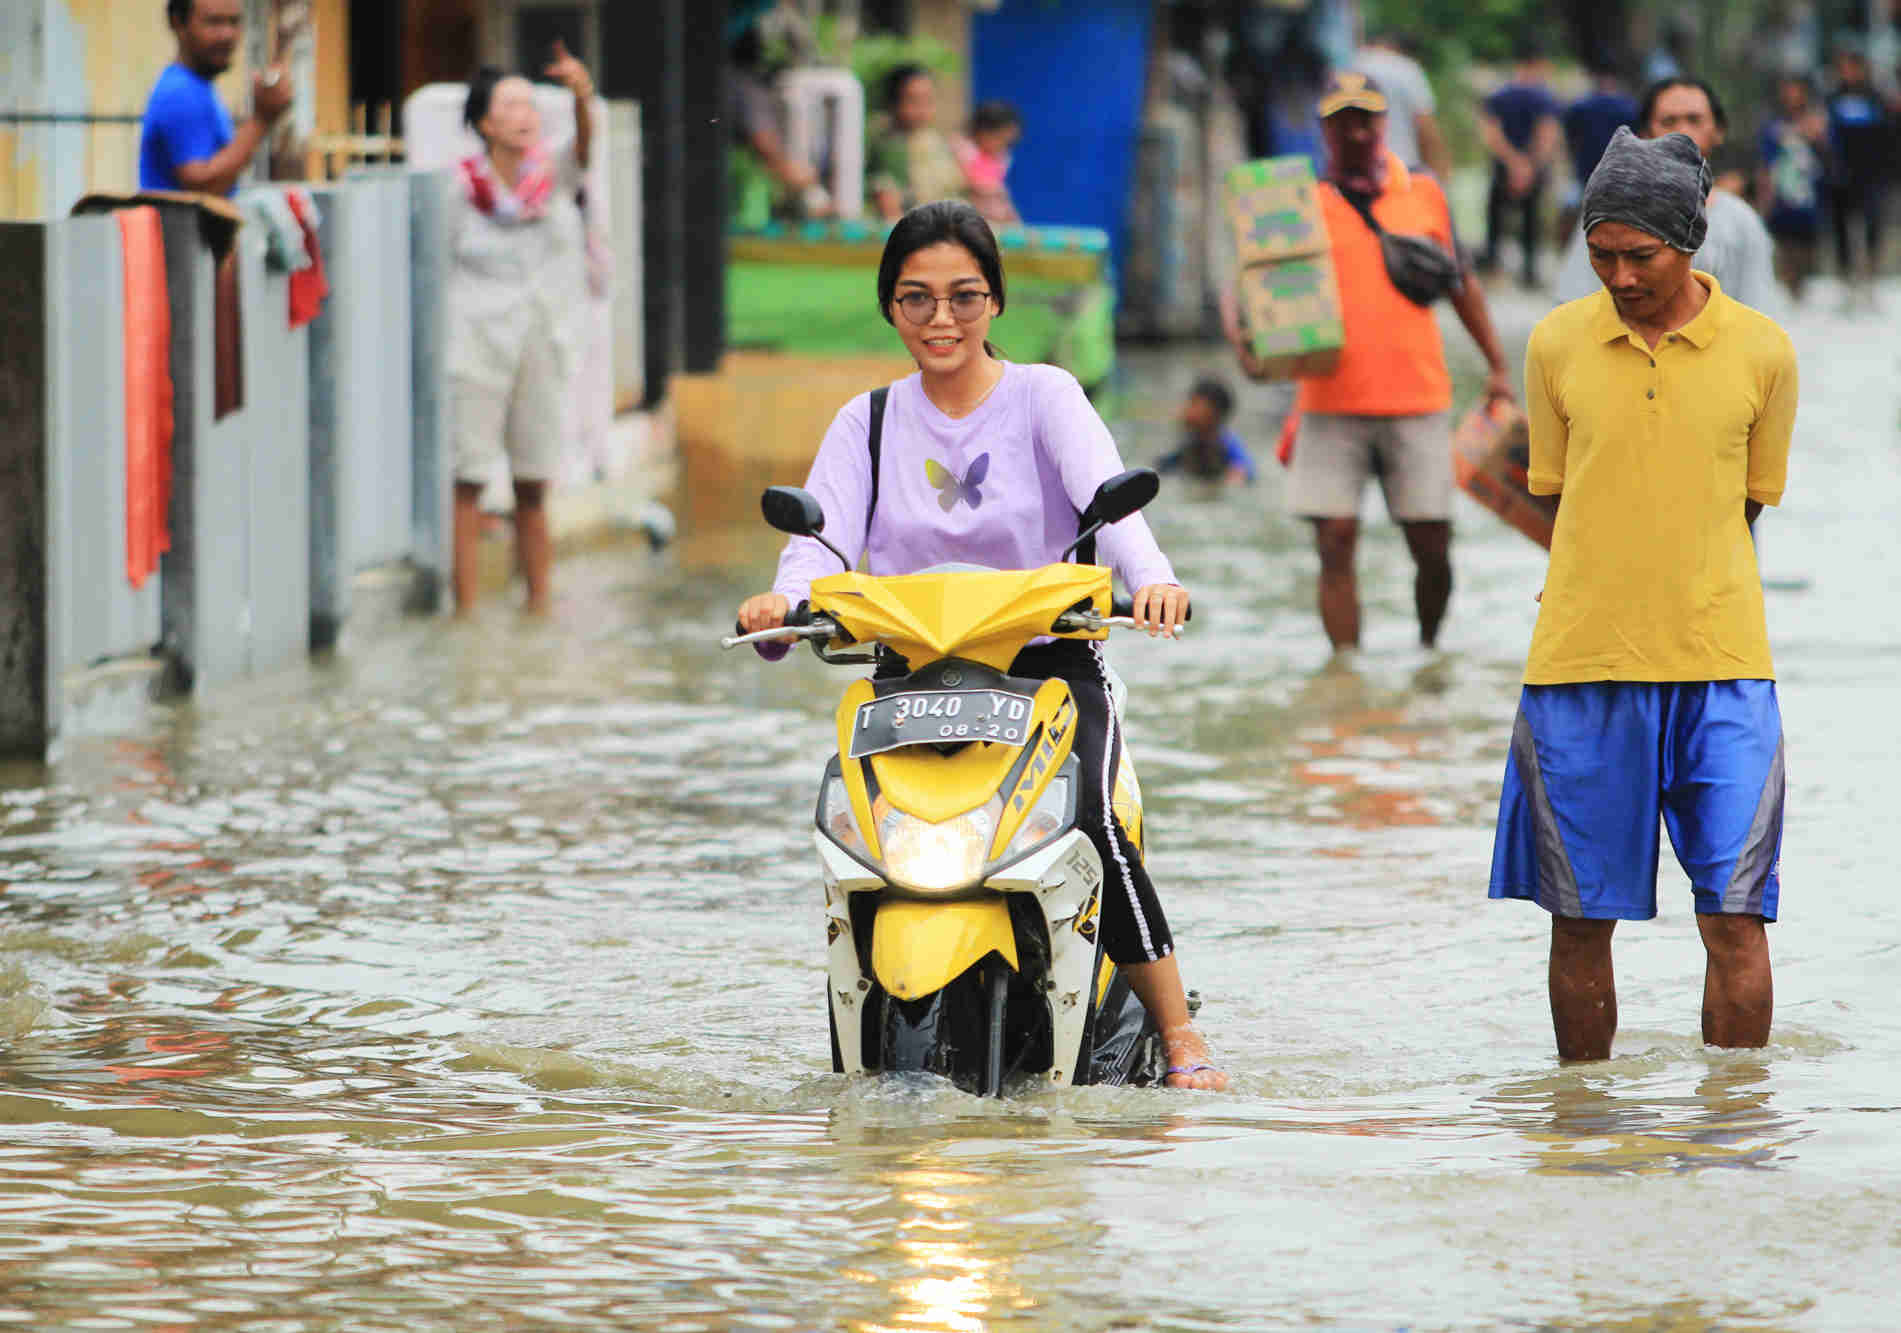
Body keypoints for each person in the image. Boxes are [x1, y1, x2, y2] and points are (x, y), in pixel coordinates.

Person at [734, 201, 1225, 1091]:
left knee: (1094, 825)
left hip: (1046, 667)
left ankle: (1181, 1030)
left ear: (994, 300)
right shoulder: (867, 422)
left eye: (963, 296)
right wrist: (781, 601)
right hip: (908, 681)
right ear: (889, 307)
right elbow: (820, 543)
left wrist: (1152, 580)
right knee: (851, 838)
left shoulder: (1044, 396)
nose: (940, 319)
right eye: (916, 298)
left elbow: (1111, 508)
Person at [1489, 127, 1798, 1062]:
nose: (1618, 276)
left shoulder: (1764, 352)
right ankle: (1584, 1136)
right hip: (1579, 670)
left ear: (1690, 240)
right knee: (1580, 923)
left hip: (1724, 669)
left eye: (1639, 256)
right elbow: (1554, 492)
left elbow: (1746, 501)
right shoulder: (1554, 344)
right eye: (1600, 254)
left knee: (1736, 920)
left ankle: (1731, 1131)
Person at [1231, 73, 1515, 655]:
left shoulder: (1425, 194)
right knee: (1334, 541)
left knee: (1432, 543)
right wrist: (1248, 345)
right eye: (1343, 120)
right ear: (1325, 130)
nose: (1357, 131)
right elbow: (1253, 288)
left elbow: (1462, 284)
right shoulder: (1297, 205)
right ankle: (1346, 674)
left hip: (1418, 399)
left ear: (1386, 125)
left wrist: (1498, 365)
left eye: (1367, 119)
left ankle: (1428, 653)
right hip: (1328, 400)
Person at [446, 47, 595, 617]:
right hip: (474, 347)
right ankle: (463, 613)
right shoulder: (458, 190)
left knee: (533, 481)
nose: (525, 114)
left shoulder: (552, 178)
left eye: (530, 104)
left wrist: (581, 95)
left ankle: (538, 607)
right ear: (485, 123)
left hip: (539, 343)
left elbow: (586, 145)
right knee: (467, 481)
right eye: (510, 105)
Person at [1552, 78, 1779, 313]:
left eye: (1694, 120)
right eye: (1669, 121)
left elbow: (1760, 312)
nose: (1682, 131)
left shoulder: (1741, 222)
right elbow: (1573, 303)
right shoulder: (1609, 212)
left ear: (1718, 131)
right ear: (1645, 134)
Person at [140, 0, 293, 195]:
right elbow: (201, 188)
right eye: (214, 22)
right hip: (178, 226)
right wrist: (261, 121)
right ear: (177, 22)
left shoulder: (199, 87)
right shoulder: (180, 92)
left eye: (234, 22)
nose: (228, 35)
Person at [1477, 40, 1563, 287]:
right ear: (1539, 64)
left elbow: (1490, 133)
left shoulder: (1499, 95)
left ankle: (1492, 267)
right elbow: (1547, 133)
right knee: (1531, 219)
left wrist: (1512, 162)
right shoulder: (1545, 97)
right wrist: (1529, 164)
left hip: (1503, 166)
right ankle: (1529, 273)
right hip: (1533, 166)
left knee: (1495, 216)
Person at [726, 24, 823, 229]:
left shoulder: (730, 81)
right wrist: (795, 174)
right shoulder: (744, 87)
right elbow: (764, 144)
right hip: (741, 199)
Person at [1824, 40, 1892, 296]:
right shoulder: (1833, 97)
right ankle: (1846, 275)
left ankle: (1870, 274)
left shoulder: (1875, 97)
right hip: (1841, 174)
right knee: (1842, 225)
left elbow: (1887, 136)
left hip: (1871, 174)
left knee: (1873, 223)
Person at [1757, 74, 1828, 301]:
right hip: (1782, 188)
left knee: (1806, 236)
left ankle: (1803, 280)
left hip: (1808, 189)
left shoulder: (1815, 120)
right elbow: (1766, 157)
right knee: (1783, 234)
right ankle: (1788, 280)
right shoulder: (1773, 123)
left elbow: (1827, 151)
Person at [866, 65, 965, 222]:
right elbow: (887, 200)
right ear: (893, 102)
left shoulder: (935, 140)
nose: (922, 109)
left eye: (928, 100)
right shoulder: (889, 144)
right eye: (913, 100)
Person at [1557, 57, 1639, 239]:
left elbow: (1569, 140)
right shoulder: (1629, 107)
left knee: (1569, 212)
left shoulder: (1579, 107)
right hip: (1620, 177)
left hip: (1584, 175)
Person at [1353, 30, 1452, 180]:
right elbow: (1426, 127)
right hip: (1403, 170)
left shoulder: (1349, 64)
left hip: (1356, 172)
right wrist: (1440, 177)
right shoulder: (1406, 69)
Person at [1157, 378, 1254, 484]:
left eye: (1195, 404)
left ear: (1215, 413)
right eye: (1189, 403)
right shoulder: (1184, 448)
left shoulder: (1230, 450)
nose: (1186, 410)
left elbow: (1243, 473)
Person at [956, 101, 1022, 224]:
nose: (1003, 147)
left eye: (1008, 143)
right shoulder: (965, 151)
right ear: (982, 132)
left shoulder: (1000, 158)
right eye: (1000, 140)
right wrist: (995, 191)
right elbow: (971, 184)